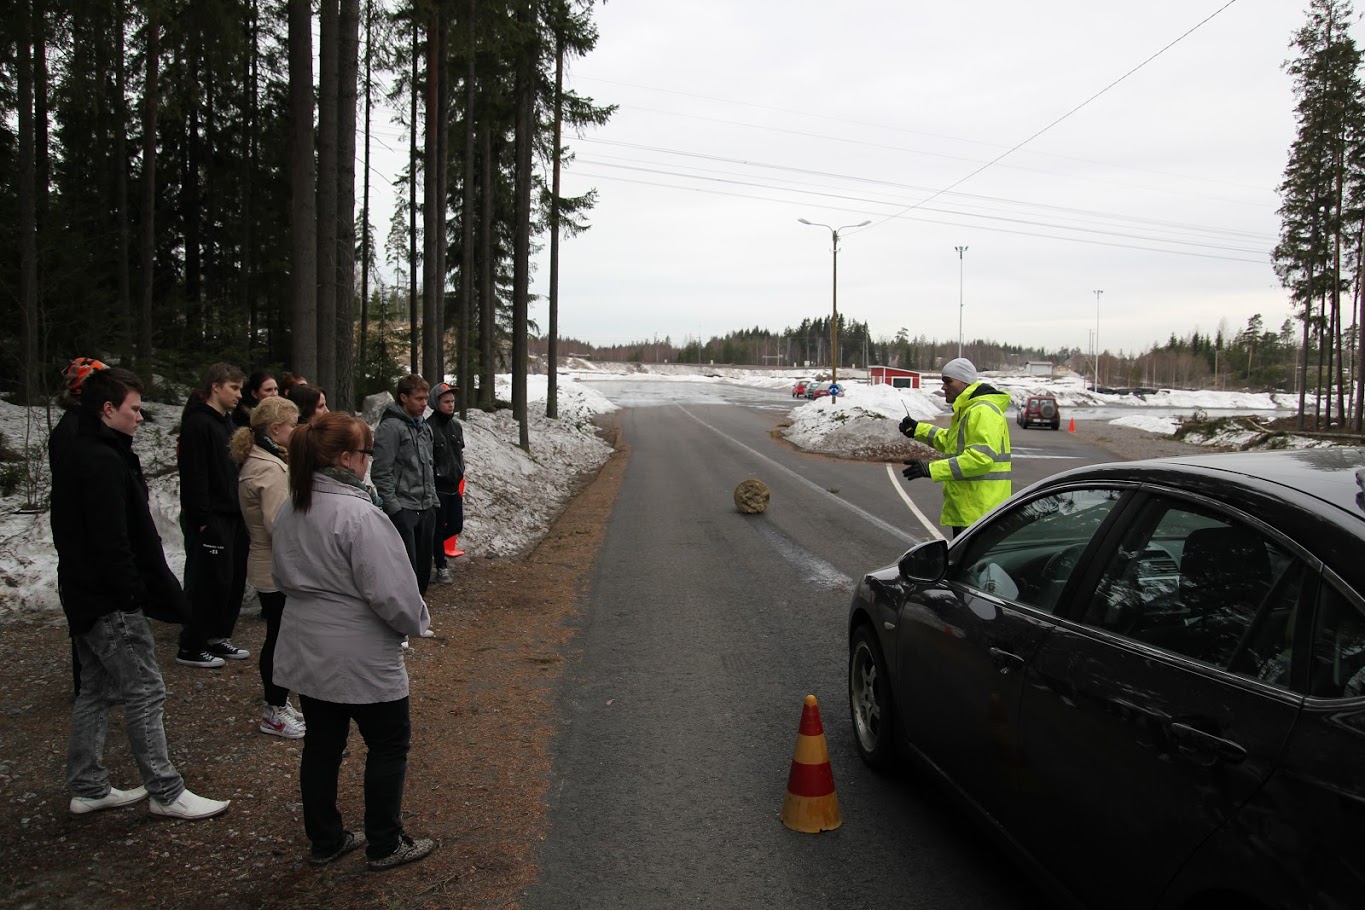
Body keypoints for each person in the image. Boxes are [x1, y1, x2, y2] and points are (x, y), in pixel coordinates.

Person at [51, 367, 230, 820]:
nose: (140, 419)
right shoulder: (100, 460)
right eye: (134, 409)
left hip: (85, 593)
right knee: (145, 690)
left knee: (97, 689)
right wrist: (131, 595)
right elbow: (112, 538)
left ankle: (89, 785)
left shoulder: (87, 451)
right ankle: (166, 791)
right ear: (107, 409)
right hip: (107, 600)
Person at [271, 412, 436, 870]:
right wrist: (414, 623)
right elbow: (392, 592)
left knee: (323, 744)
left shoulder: (292, 506)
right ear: (346, 458)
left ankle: (325, 839)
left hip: (308, 643)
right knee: (388, 742)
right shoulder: (359, 514)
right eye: (366, 453)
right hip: (359, 650)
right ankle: (385, 843)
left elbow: (282, 575)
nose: (370, 461)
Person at [231, 395, 306, 739]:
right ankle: (274, 709)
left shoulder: (271, 459)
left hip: (275, 563)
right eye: (293, 424)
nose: (298, 429)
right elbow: (279, 523)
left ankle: (279, 703)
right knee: (280, 638)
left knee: (282, 635)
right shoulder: (268, 468)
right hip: (275, 566)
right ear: (276, 429)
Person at [177, 362, 251, 668]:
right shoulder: (198, 424)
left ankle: (217, 635)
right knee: (207, 581)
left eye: (240, 388)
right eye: (233, 388)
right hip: (212, 518)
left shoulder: (228, 424)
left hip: (234, 515)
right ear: (215, 387)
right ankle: (191, 644)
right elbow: (194, 474)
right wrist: (202, 518)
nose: (239, 394)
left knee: (231, 580)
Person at [898, 357, 1012, 537]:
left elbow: (980, 459)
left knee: (972, 565)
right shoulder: (969, 409)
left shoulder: (982, 412)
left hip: (980, 512)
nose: (943, 387)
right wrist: (918, 429)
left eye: (948, 381)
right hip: (971, 509)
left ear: (965, 382)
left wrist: (931, 469)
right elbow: (951, 441)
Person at [49, 356, 109, 697]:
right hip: (81, 539)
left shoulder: (83, 424)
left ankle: (96, 680)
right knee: (88, 616)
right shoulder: (73, 430)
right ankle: (88, 685)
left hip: (84, 534)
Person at [372, 374, 438, 595]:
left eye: (426, 398)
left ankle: (418, 612)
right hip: (404, 509)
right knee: (405, 568)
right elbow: (382, 472)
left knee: (422, 569)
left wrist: (433, 500)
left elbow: (428, 465)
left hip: (426, 506)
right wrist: (395, 509)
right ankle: (403, 617)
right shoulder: (390, 428)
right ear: (403, 398)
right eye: (418, 398)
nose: (424, 403)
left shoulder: (423, 427)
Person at [428, 382, 465, 585]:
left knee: (455, 525)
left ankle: (433, 547)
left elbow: (459, 452)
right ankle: (441, 567)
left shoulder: (456, 426)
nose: (450, 405)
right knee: (438, 528)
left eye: (452, 401)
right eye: (446, 401)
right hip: (438, 487)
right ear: (436, 402)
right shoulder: (429, 428)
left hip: (454, 487)